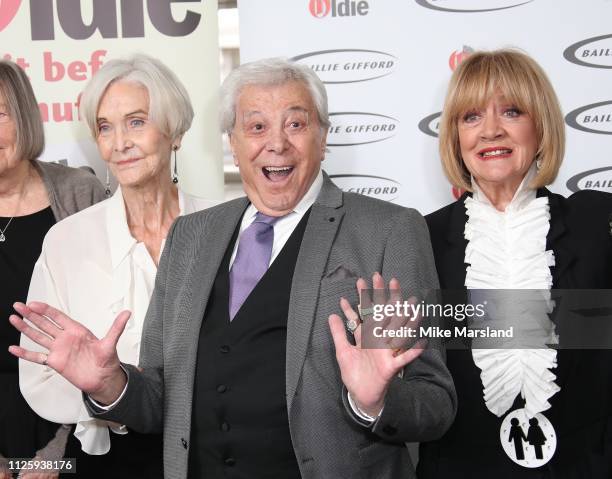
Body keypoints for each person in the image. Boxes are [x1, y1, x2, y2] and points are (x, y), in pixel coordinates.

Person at [10, 57, 456, 479]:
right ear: (234, 143)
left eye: (296, 124)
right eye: (256, 126)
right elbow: (161, 398)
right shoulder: (191, 236)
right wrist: (112, 385)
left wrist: (376, 402)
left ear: (323, 137)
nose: (275, 142)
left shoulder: (384, 232)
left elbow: (433, 401)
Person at [15, 54, 216, 478]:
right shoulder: (67, 242)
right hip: (111, 459)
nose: (119, 142)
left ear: (175, 131)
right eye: (105, 127)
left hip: (213, 451)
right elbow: (40, 376)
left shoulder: (223, 229)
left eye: (137, 122)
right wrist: (110, 390)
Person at [418, 49, 612, 478]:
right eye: (470, 117)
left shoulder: (598, 225)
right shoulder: (418, 238)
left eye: (511, 111)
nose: (490, 130)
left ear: (540, 126)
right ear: (454, 137)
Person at [0, 60, 105, 479]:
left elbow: (107, 326)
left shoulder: (81, 193)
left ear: (25, 118)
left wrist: (55, 454)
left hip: (70, 418)